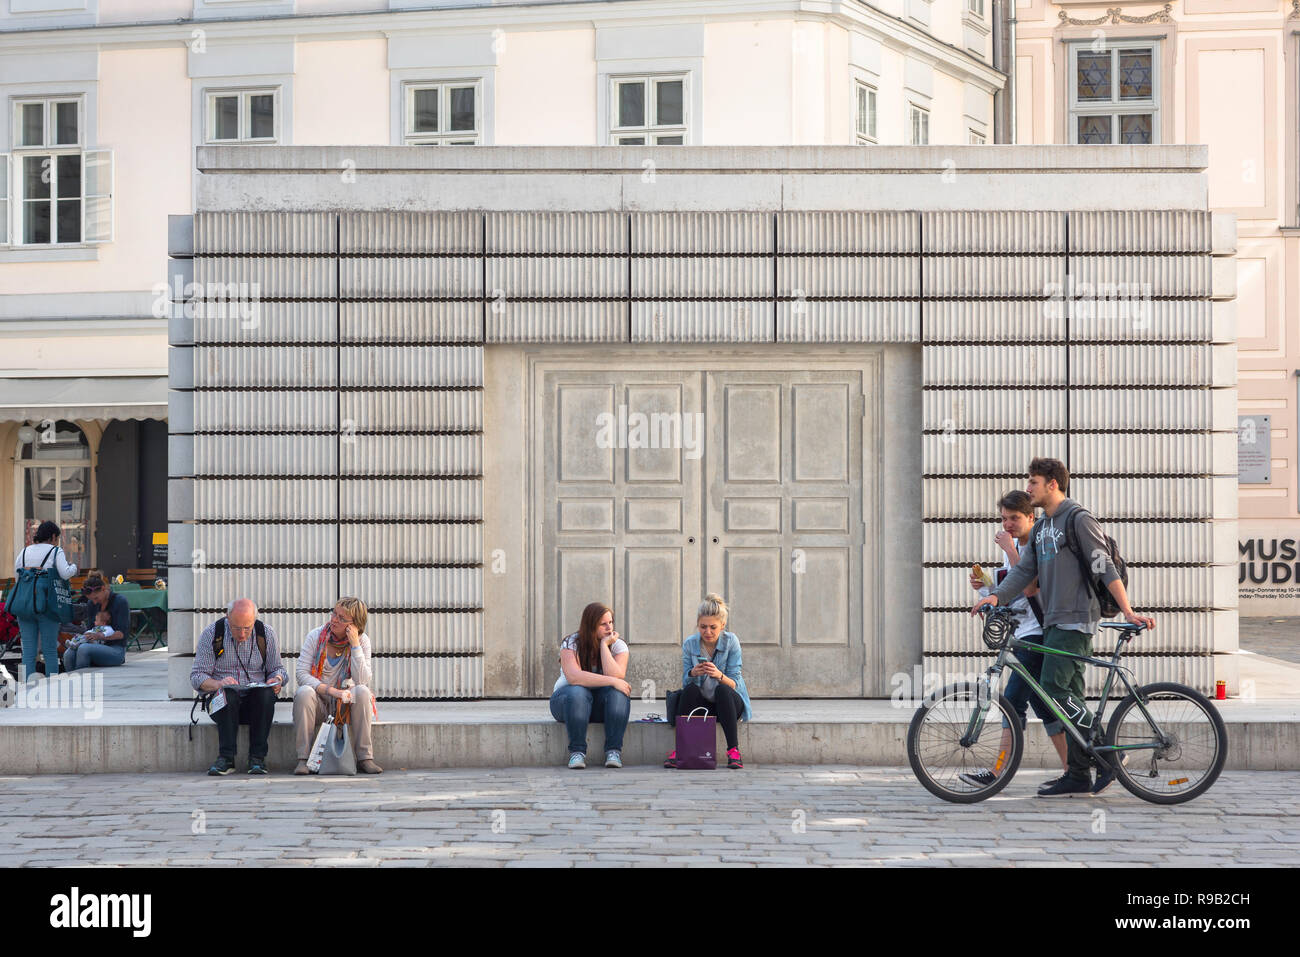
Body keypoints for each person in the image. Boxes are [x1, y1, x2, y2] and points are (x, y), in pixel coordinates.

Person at [972, 457, 1155, 797]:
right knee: (1062, 695)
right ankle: (1077, 774)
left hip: (1076, 619)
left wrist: (1128, 611)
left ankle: (1109, 754)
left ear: (1052, 484)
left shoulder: (1077, 519)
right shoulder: (1042, 528)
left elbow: (1103, 565)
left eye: (1033, 482)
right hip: (1055, 620)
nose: (1028, 488)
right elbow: (1024, 573)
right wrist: (995, 597)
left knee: (1055, 691)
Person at [959, 491, 1067, 788]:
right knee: (1046, 707)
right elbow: (1013, 594)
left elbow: (1031, 584)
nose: (1007, 524)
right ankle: (1076, 770)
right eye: (1004, 518)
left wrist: (1009, 551)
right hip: (1024, 634)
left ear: (1031, 517)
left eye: (1015, 518)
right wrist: (986, 590)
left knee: (1011, 702)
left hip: (1037, 636)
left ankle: (997, 773)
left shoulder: (1040, 546)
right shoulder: (1016, 549)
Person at [190, 598, 287, 775]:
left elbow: (278, 669)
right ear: (227, 618)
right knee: (228, 694)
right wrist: (218, 683)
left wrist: (277, 679)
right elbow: (197, 677)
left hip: (255, 703)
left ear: (255, 621)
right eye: (236, 628)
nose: (242, 634)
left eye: (247, 628)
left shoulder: (266, 634)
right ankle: (226, 758)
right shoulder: (212, 633)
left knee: (265, 695)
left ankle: (257, 759)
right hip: (223, 703)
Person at [293, 597, 381, 775]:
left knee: (363, 692)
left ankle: (365, 758)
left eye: (342, 618)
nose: (334, 619)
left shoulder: (362, 641)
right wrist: (331, 690)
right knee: (303, 692)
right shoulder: (316, 636)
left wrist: (355, 645)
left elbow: (363, 680)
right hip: (320, 704)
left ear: (354, 625)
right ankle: (303, 759)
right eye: (334, 613)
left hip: (345, 707)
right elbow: (301, 674)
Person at [665, 594, 752, 770]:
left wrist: (719, 675)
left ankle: (733, 751)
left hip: (729, 704)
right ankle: (681, 749)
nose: (708, 632)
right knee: (689, 690)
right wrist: (692, 673)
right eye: (703, 627)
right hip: (704, 707)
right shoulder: (690, 644)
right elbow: (685, 681)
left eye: (713, 627)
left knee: (723, 690)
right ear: (698, 624)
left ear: (722, 626)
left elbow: (734, 682)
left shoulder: (731, 642)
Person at [548, 602, 630, 769]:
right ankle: (577, 753)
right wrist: (613, 681)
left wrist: (604, 647)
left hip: (597, 707)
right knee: (578, 692)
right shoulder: (571, 643)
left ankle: (613, 752)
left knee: (618, 694)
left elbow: (616, 674)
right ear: (591, 625)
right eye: (603, 624)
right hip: (567, 704)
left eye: (611, 622)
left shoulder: (618, 645)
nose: (609, 627)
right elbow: (574, 677)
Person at [12, 521, 78, 680]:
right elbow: (65, 573)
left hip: (25, 604)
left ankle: (27, 686)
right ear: (54, 536)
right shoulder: (56, 551)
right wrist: (74, 567)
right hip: (47, 604)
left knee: (28, 649)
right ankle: (52, 684)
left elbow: (17, 576)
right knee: (49, 649)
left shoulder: (24, 551)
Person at [61, 574, 130, 673]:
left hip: (116, 649)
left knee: (84, 649)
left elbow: (122, 634)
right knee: (69, 653)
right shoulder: (92, 604)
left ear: (103, 589)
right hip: (95, 645)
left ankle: (81, 681)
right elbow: (90, 629)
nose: (94, 602)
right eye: (91, 599)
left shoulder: (120, 601)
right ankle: (70, 681)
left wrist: (100, 636)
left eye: (96, 598)